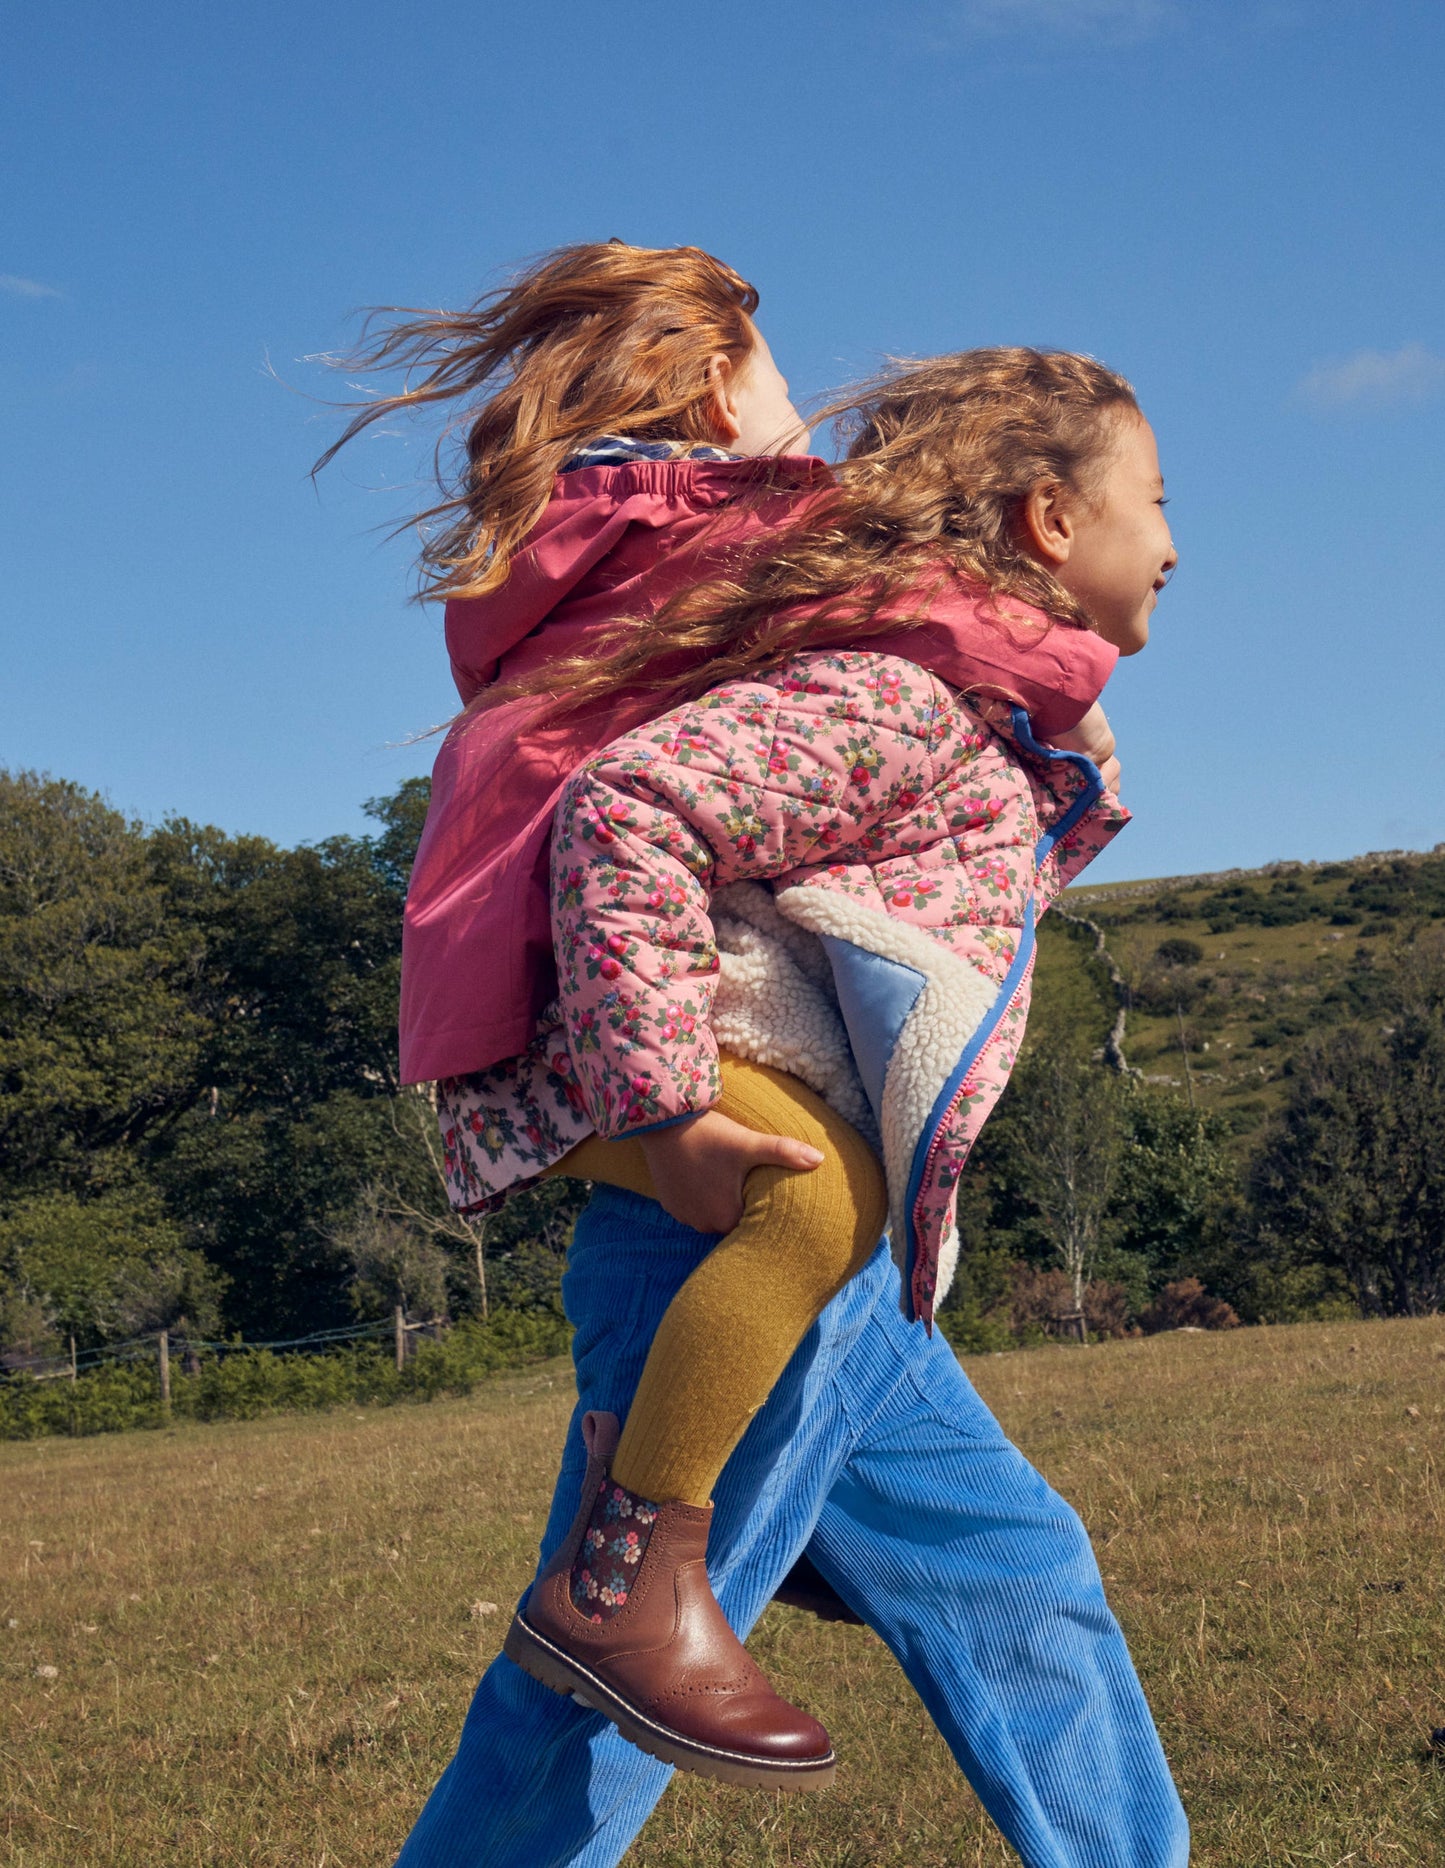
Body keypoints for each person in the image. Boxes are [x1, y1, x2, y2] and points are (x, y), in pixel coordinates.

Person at [318, 240, 1130, 1787]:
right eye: (774, 379)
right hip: (642, 1054)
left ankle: (769, 1518)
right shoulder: (743, 528)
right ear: (711, 378)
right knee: (812, 1211)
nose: (801, 418)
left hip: (544, 1026)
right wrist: (1063, 671)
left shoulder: (588, 543)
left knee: (1020, 1580)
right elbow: (948, 617)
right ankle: (634, 1579)